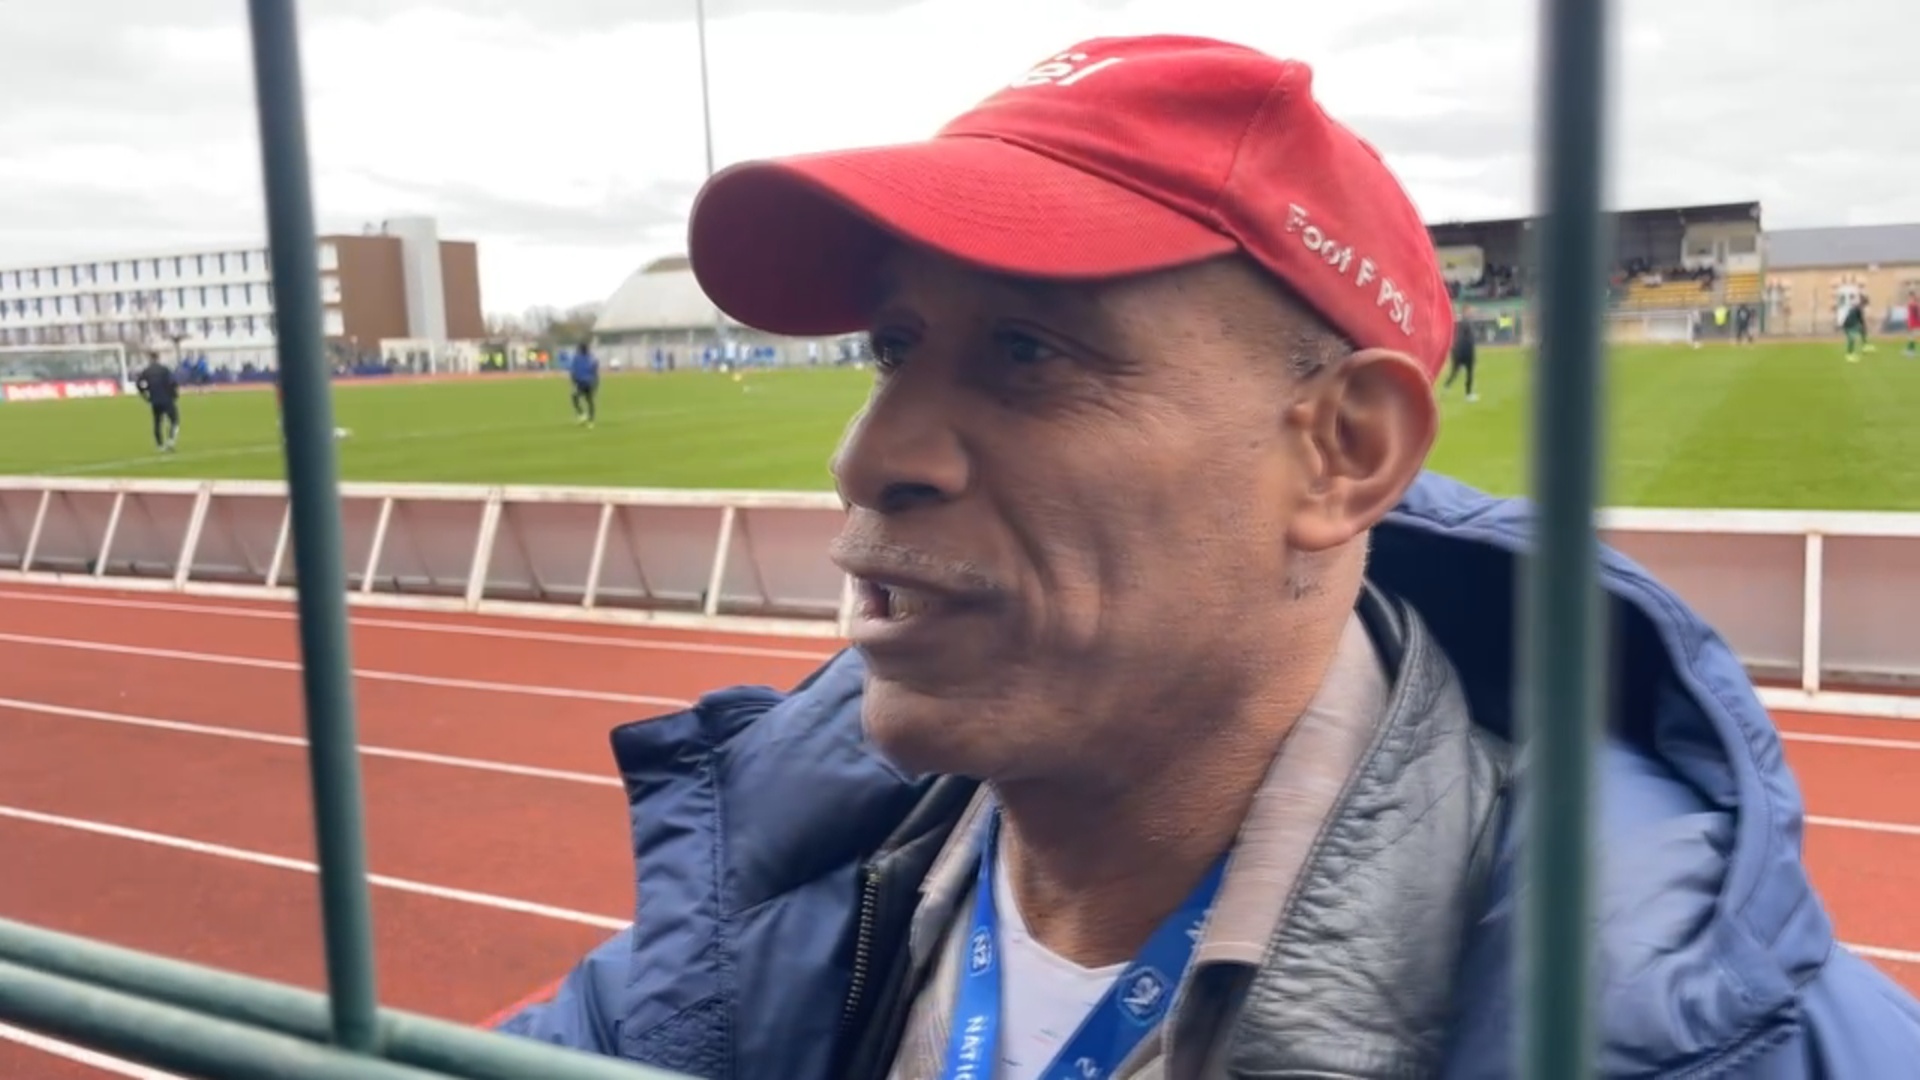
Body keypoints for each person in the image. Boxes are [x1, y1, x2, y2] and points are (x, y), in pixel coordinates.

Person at [495, 35, 1920, 1078]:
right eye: (895, 346)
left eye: (1028, 349)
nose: (872, 456)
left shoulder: (1731, 1046)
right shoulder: (765, 916)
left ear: (1344, 451)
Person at [133, 351, 180, 453]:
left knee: (157, 422)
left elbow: (138, 384)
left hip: (155, 400)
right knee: (174, 420)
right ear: (158, 358)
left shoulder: (146, 371)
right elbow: (173, 382)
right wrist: (174, 394)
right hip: (167, 399)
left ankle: (160, 445)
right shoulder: (164, 370)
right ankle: (170, 441)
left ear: (150, 359)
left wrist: (145, 394)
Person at [1445, 308, 1479, 400]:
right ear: (1465, 312)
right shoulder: (1465, 323)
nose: (1471, 313)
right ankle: (1468, 394)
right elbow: (1465, 339)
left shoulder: (1462, 323)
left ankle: (1447, 387)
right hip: (1465, 351)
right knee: (1468, 372)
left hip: (1460, 351)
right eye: (1469, 311)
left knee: (1456, 372)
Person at [569, 342, 600, 426]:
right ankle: (590, 420)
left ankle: (582, 415)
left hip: (581, 382)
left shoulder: (577, 358)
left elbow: (573, 371)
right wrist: (596, 384)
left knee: (575, 398)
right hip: (589, 382)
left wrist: (573, 381)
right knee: (589, 401)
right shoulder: (592, 358)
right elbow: (595, 372)